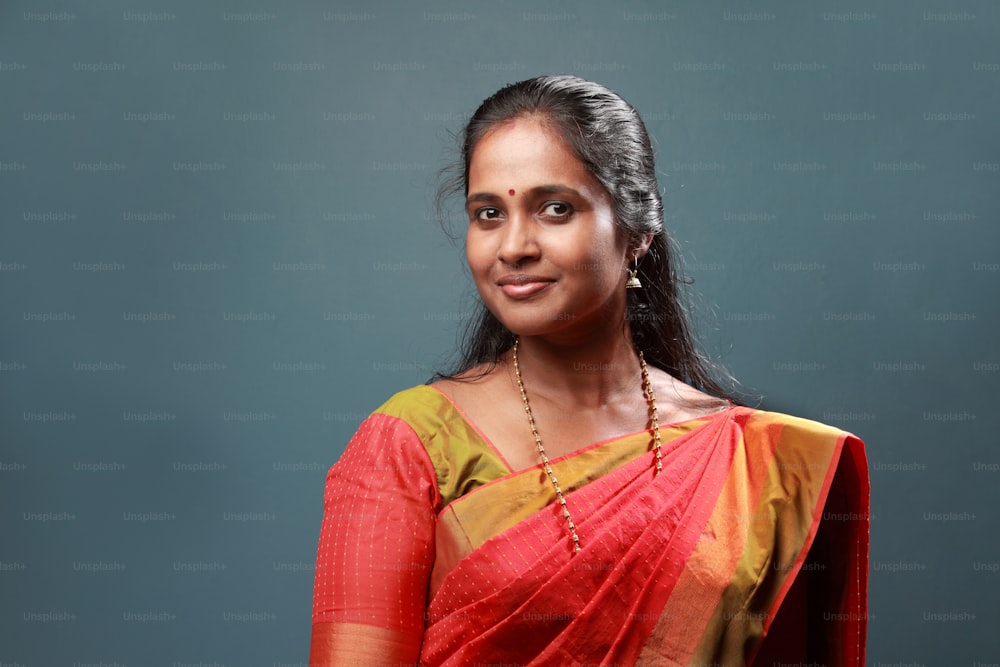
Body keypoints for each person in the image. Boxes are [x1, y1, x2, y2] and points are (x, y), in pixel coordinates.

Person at [309, 75, 869, 666]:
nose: (514, 246)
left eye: (555, 209)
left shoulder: (758, 464)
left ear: (637, 233)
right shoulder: (407, 445)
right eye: (489, 213)